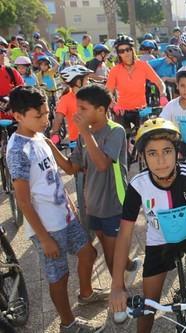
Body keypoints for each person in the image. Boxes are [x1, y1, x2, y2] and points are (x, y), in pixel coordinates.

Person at [108, 117, 186, 333]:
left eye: (167, 151)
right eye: (152, 153)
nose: (161, 160)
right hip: (159, 242)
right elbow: (125, 234)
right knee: (148, 309)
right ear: (143, 157)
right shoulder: (137, 185)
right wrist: (117, 287)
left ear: (177, 152)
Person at [7, 86, 106, 332]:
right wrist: (44, 238)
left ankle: (85, 293)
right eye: (38, 115)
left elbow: (67, 168)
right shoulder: (18, 149)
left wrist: (84, 154)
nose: (45, 119)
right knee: (59, 277)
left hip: (65, 215)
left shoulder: (40, 136)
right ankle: (68, 323)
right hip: (47, 227)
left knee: (88, 253)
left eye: (46, 113)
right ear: (18, 116)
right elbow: (23, 201)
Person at [48, 83, 141, 292]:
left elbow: (102, 164)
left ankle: (120, 296)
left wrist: (85, 133)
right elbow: (72, 167)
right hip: (93, 204)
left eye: (83, 108)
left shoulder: (115, 131)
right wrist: (48, 145)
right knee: (111, 246)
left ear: (101, 110)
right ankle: (128, 264)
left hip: (113, 202)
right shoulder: (83, 135)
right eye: (77, 108)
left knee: (109, 253)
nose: (78, 113)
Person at [106, 35, 167, 131]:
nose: (126, 53)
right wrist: (113, 105)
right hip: (122, 111)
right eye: (121, 51)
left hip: (142, 110)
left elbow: (160, 83)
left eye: (128, 49)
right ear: (118, 54)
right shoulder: (115, 70)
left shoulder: (143, 66)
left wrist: (163, 94)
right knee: (121, 140)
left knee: (144, 139)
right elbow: (107, 92)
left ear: (132, 50)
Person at [49, 65, 93, 145]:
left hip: (94, 138)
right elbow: (58, 118)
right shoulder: (65, 99)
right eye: (86, 79)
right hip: (76, 141)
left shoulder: (92, 96)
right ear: (78, 82)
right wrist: (55, 133)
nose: (88, 81)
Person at [0, 37, 24, 112]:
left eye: (4, 51)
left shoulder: (11, 72)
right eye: (0, 52)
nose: (3, 55)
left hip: (12, 120)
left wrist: (12, 101)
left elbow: (24, 91)